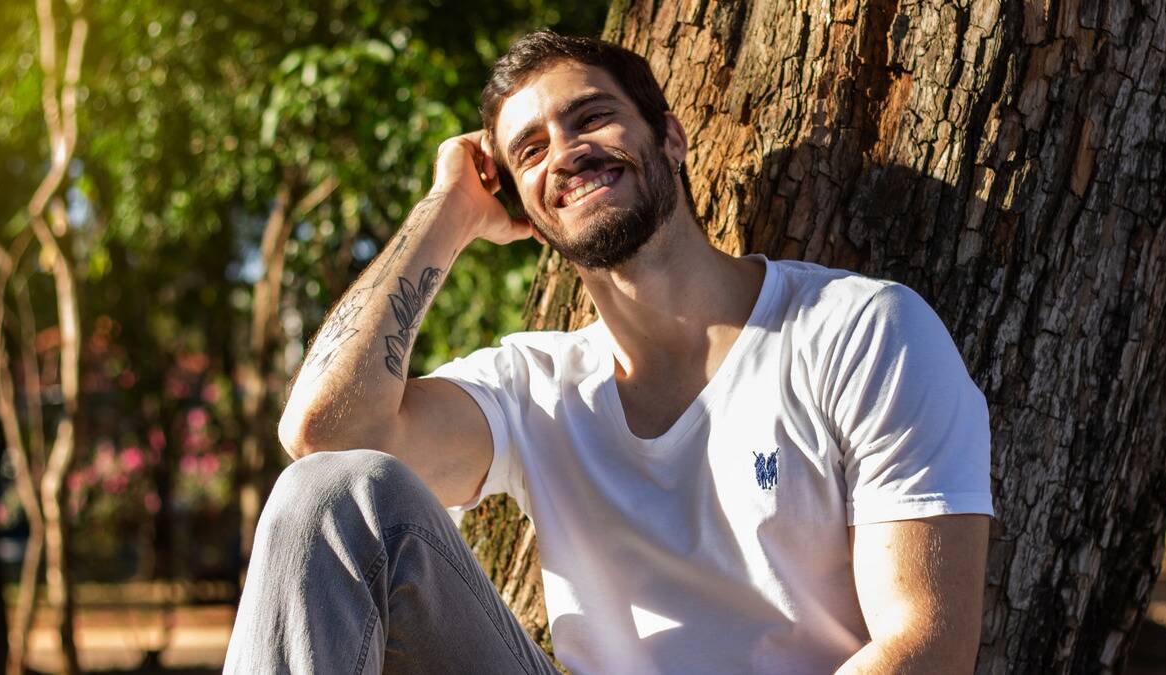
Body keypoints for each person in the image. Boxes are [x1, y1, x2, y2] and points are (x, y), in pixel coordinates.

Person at [225, 30, 994, 675]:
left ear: (670, 135)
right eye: (529, 152)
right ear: (520, 207)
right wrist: (449, 210)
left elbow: (926, 643)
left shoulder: (859, 331)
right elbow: (323, 435)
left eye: (591, 117)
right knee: (326, 492)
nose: (565, 152)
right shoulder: (534, 389)